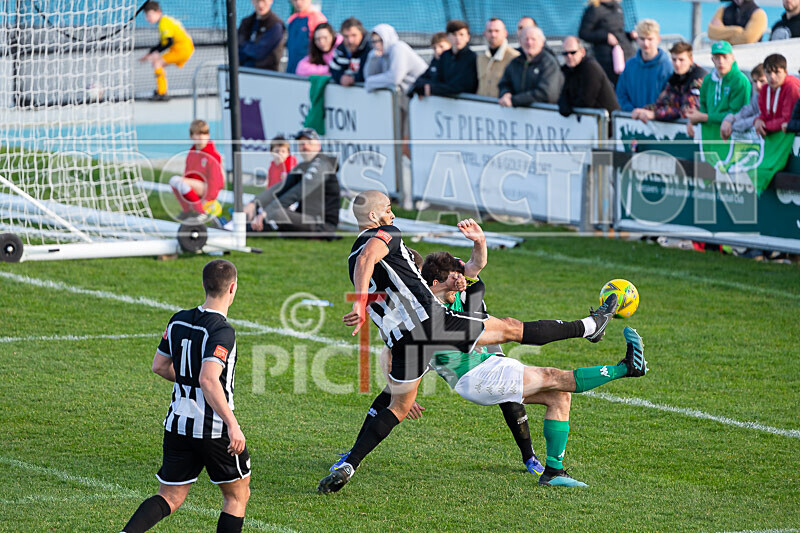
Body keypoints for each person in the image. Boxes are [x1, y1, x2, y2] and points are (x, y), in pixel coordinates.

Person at [316, 191, 621, 493]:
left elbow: (369, 265)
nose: (392, 214)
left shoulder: (352, 262)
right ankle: (590, 326)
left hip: (404, 342)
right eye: (388, 208)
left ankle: (350, 463)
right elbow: (371, 254)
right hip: (432, 323)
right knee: (512, 329)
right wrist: (357, 303)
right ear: (374, 216)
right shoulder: (385, 234)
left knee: (397, 406)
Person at [422, 252, 648, 487]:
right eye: (453, 279)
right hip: (476, 376)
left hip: (486, 368)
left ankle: (553, 472)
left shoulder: (462, 294)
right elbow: (418, 354)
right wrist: (405, 392)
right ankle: (625, 366)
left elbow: (476, 269)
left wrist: (478, 242)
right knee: (552, 375)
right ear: (435, 283)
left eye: (460, 277)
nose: (459, 283)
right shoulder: (430, 312)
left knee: (559, 397)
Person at [121, 260, 249, 533]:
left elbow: (160, 366)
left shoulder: (178, 319)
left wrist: (190, 381)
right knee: (237, 496)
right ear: (233, 288)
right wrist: (232, 424)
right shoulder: (222, 331)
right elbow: (208, 378)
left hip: (178, 423)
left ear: (204, 285)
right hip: (214, 431)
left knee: (169, 496)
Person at [244, 128, 339, 236]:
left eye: (309, 142)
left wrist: (267, 212)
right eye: (301, 144)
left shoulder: (323, 163)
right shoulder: (303, 166)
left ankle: (244, 231)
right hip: (303, 218)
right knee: (261, 209)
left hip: (323, 225)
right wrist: (254, 203)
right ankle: (239, 227)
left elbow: (299, 191)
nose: (305, 146)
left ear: (318, 145)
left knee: (276, 213)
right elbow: (281, 187)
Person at [686, 41, 751, 138]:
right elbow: (703, 106)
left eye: (725, 57)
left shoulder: (740, 80)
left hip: (730, 138)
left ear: (732, 58)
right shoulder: (708, 80)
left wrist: (704, 117)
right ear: (712, 59)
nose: (721, 61)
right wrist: (692, 120)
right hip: (708, 137)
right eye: (717, 58)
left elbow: (737, 113)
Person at [632, 41, 707, 123]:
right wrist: (643, 111)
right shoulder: (674, 79)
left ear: (690, 60)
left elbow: (690, 111)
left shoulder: (699, 79)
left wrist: (655, 114)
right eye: (674, 60)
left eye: (681, 60)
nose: (677, 64)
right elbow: (663, 103)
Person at [169, 120, 224, 222]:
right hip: (196, 185)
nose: (201, 137)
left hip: (208, 188)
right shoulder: (192, 153)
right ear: (191, 136)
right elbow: (188, 173)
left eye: (204, 133)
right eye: (198, 134)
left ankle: (202, 211)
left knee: (178, 180)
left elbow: (215, 181)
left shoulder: (212, 155)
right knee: (174, 181)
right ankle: (188, 211)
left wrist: (208, 199)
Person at [140, 2, 194, 101]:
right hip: (184, 48)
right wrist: (152, 52)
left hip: (182, 50)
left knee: (157, 63)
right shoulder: (165, 21)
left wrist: (154, 52)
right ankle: (162, 90)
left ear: (158, 12)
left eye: (150, 15)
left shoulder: (163, 23)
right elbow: (163, 43)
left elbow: (169, 42)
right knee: (158, 64)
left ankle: (162, 93)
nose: (148, 18)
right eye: (146, 16)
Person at [615, 19, 673, 112]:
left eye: (650, 39)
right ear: (637, 39)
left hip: (658, 121)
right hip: (632, 120)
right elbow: (621, 93)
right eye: (642, 39)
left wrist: (652, 113)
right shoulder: (630, 65)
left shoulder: (668, 67)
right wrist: (632, 111)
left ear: (658, 39)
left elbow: (670, 99)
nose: (646, 43)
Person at [497, 26, 563, 107]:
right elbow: (504, 83)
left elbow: (546, 93)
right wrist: (505, 94)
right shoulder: (515, 62)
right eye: (526, 39)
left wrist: (515, 100)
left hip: (543, 116)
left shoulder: (549, 63)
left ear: (542, 42)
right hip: (516, 117)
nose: (529, 43)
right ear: (520, 42)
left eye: (533, 39)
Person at [409, 20, 477, 97]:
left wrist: (432, 89)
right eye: (454, 34)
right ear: (448, 36)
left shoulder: (472, 58)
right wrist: (422, 88)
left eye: (461, 34)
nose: (458, 38)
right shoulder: (445, 56)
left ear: (468, 37)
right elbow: (433, 78)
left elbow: (461, 86)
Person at [558, 36, 619, 117]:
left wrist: (568, 107)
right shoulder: (567, 70)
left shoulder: (590, 68)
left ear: (582, 52)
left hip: (606, 124)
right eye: (565, 53)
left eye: (573, 52)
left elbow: (586, 100)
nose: (569, 56)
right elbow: (563, 94)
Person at [579, 0, 635, 86]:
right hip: (607, 60)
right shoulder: (594, 10)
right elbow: (583, 33)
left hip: (626, 54)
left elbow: (619, 33)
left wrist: (630, 36)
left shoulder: (617, 7)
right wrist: (605, 36)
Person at [363, 24, 428, 95]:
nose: (377, 45)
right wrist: (372, 58)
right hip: (410, 95)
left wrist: (370, 82)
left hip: (423, 93)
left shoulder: (398, 48)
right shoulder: (383, 54)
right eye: (374, 42)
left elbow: (395, 78)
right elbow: (368, 76)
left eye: (380, 40)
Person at [754, 54, 800, 137]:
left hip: (788, 138)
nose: (772, 77)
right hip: (772, 139)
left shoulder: (792, 87)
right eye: (768, 72)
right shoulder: (764, 89)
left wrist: (765, 126)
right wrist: (759, 120)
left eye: (777, 72)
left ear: (785, 72)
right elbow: (763, 114)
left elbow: (787, 119)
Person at [720, 64, 767, 139]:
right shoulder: (757, 97)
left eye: (762, 81)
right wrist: (728, 120)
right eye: (755, 81)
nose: (758, 85)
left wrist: (734, 126)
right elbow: (745, 112)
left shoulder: (772, 98)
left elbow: (759, 117)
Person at [477, 18, 520, 98]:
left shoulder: (515, 57)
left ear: (505, 33)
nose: (493, 35)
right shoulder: (480, 58)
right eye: (490, 31)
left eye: (497, 31)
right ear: (484, 33)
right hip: (481, 107)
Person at [237, 0, 285, 71]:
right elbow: (237, 48)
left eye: (264, 1)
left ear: (271, 1)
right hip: (243, 71)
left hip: (267, 74)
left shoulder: (275, 25)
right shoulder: (246, 22)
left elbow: (259, 52)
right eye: (257, 1)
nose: (260, 5)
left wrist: (246, 48)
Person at [285, 0, 327, 74]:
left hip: (307, 74)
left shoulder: (318, 19)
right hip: (291, 71)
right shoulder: (292, 19)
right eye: (295, 0)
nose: (298, 3)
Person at [329, 17, 371, 86]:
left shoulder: (370, 48)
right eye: (346, 36)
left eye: (354, 35)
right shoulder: (341, 48)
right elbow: (333, 69)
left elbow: (369, 74)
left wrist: (353, 79)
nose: (350, 40)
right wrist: (340, 78)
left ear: (361, 33)